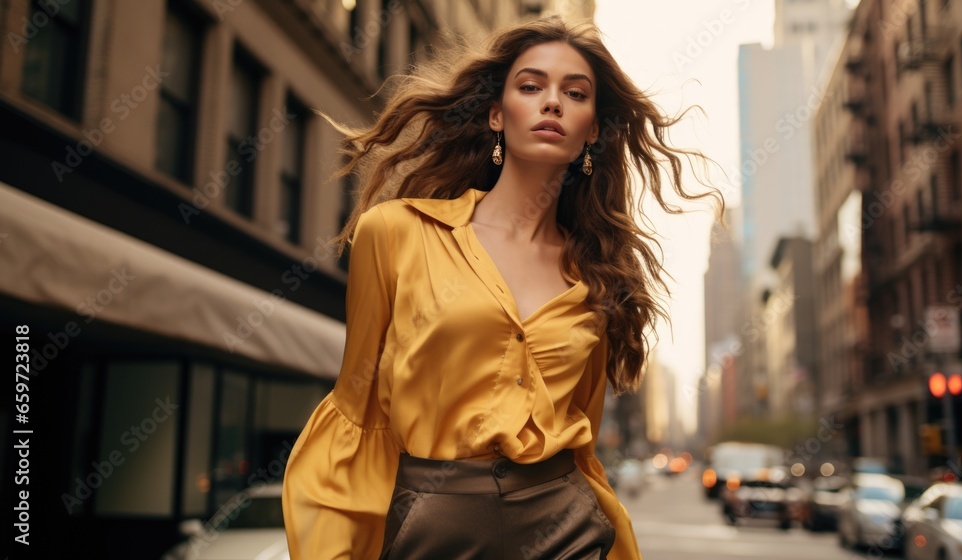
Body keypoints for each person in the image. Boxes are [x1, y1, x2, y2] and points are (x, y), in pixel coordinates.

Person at [282, 15, 721, 560]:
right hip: (433, 528)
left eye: (575, 93)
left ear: (592, 130)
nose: (552, 102)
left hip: (566, 530)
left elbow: (581, 443)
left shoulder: (597, 280)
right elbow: (359, 414)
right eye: (531, 86)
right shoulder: (396, 233)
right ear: (497, 114)